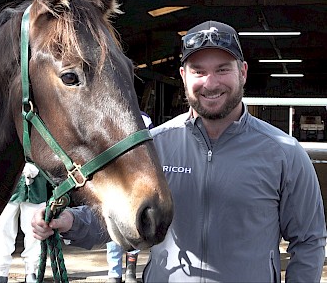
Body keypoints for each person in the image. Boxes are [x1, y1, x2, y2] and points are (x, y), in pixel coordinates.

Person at [31, 20, 327, 282]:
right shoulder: (154, 146)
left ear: (243, 72)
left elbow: (309, 240)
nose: (210, 83)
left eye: (222, 70)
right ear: (184, 76)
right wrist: (71, 222)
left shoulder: (284, 154)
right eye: (199, 71)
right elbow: (124, 217)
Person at [106, 112, 153, 283]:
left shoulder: (144, 119)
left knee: (134, 226)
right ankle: (114, 271)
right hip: (113, 179)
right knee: (111, 228)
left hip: (136, 179)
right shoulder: (105, 115)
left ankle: (130, 270)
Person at [0, 163, 48, 283]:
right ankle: (1, 273)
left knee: (35, 229)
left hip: (36, 184)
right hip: (9, 182)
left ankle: (32, 272)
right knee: (2, 228)